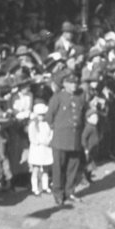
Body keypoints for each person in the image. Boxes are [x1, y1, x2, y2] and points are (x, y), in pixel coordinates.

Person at [47, 72, 86, 208]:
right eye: (71, 83)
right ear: (64, 84)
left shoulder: (80, 97)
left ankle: (70, 191)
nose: (74, 85)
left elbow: (83, 115)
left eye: (75, 83)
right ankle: (58, 193)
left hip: (75, 138)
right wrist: (59, 129)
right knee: (58, 168)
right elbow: (49, 117)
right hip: (60, 139)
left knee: (73, 167)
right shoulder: (57, 98)